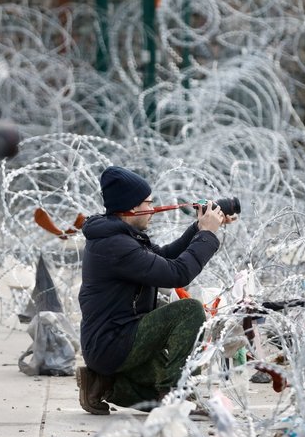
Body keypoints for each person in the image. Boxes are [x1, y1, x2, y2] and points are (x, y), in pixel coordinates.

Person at [77, 166, 231, 414]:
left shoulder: (121, 236)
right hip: (114, 342)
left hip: (116, 341)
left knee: (155, 393)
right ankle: (175, 393)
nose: (152, 210)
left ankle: (104, 385)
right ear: (131, 208)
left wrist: (200, 228)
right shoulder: (116, 245)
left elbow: (165, 257)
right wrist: (208, 236)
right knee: (189, 311)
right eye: (148, 204)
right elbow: (176, 274)